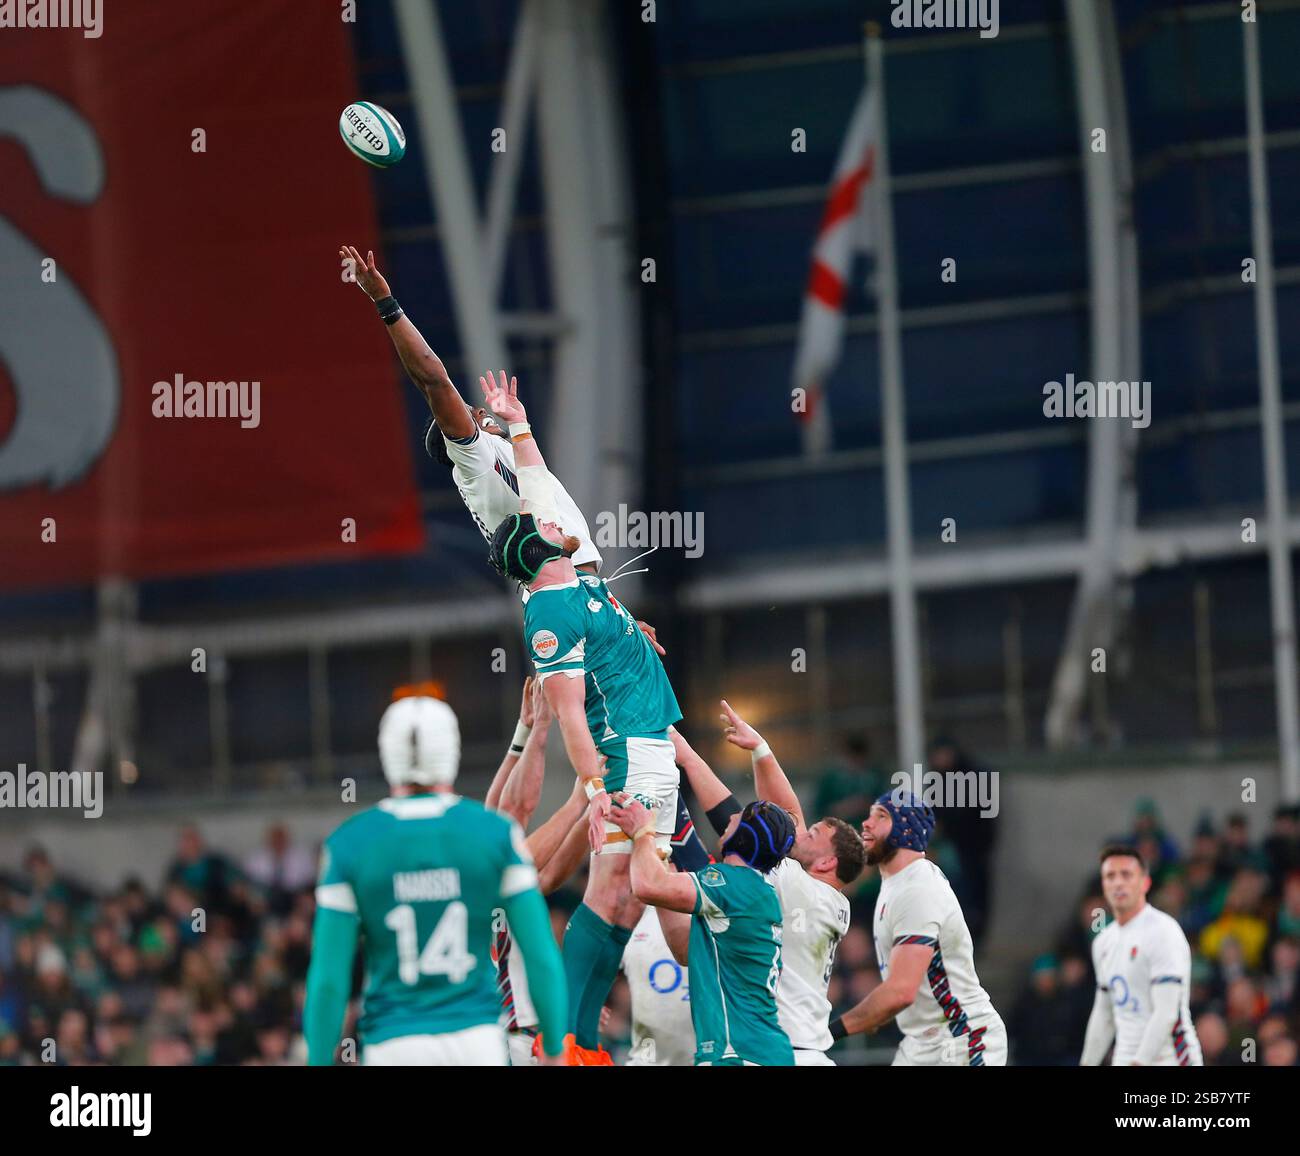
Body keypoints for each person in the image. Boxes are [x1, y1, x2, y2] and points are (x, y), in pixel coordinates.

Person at [484, 374, 684, 1061]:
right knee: (608, 892)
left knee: (629, 902)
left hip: (653, 747)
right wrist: (596, 788)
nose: (556, 520)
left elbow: (540, 491)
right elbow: (569, 710)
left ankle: (576, 1037)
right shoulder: (549, 612)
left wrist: (519, 426)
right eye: (546, 528)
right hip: (625, 755)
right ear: (538, 554)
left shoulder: (582, 585)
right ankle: (560, 1040)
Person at [303, 689, 568, 1065]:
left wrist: (317, 1058)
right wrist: (555, 1050)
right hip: (477, 1042)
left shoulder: (349, 845)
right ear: (453, 750)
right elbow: (542, 955)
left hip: (395, 1044)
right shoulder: (492, 835)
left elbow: (329, 979)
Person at [670, 702, 863, 1065]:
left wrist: (687, 761)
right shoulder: (830, 901)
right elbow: (778, 819)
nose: (799, 833)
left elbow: (750, 825)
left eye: (812, 834)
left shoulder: (801, 889)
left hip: (779, 1053)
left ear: (827, 861)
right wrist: (760, 751)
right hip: (804, 1054)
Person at [609, 793, 797, 1066]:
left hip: (740, 1054)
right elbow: (684, 948)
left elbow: (646, 886)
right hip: (755, 1052)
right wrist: (661, 858)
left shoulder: (731, 884)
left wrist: (643, 832)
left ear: (745, 837)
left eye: (738, 817)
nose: (729, 819)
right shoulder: (752, 891)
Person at [830, 792, 1007, 1066]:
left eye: (881, 816)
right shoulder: (898, 884)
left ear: (907, 830)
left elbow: (900, 991)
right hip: (923, 1042)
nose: (866, 823)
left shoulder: (917, 888)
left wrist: (829, 1032)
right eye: (869, 815)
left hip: (959, 1036)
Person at [1080, 844, 1204, 1067]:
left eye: (1126, 875)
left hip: (1171, 1060)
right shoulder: (1103, 942)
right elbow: (1104, 1013)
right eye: (1110, 876)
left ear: (1145, 882)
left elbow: (1166, 1014)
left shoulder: (1163, 932)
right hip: (1125, 1059)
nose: (1118, 882)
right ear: (1103, 885)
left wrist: (1139, 1063)